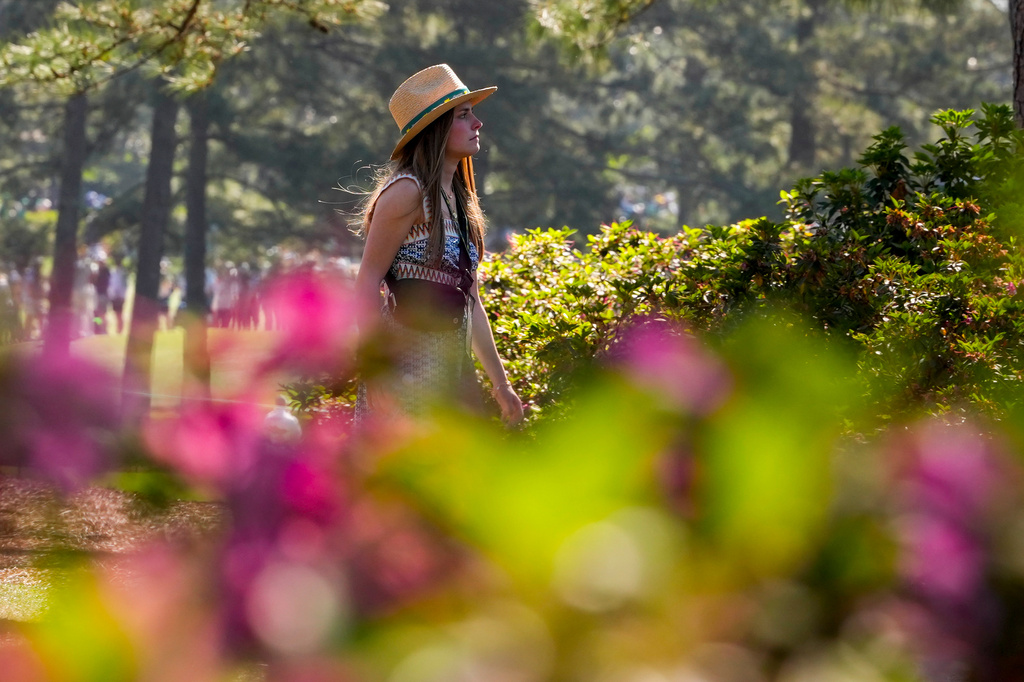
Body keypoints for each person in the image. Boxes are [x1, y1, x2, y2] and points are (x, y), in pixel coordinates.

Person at [354, 64, 523, 425]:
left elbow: (470, 300)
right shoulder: (406, 192)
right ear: (436, 130)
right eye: (464, 115)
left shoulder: (460, 202)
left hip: (451, 375)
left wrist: (501, 384)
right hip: (404, 375)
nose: (477, 123)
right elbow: (366, 282)